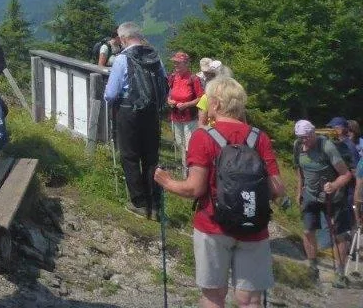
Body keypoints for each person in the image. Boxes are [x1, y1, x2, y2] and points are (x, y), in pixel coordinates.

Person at [154, 77, 285, 308]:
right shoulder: (259, 138)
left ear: (214, 103)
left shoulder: (203, 137)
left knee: (213, 296)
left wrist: (166, 182)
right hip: (254, 226)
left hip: (212, 226)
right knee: (250, 300)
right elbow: (277, 189)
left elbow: (195, 188)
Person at [103, 22, 167, 218]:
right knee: (151, 157)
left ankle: (138, 202)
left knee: (130, 156)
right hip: (152, 113)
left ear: (123, 39)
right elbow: (165, 86)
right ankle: (154, 203)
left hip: (128, 112)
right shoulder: (155, 57)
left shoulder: (122, 59)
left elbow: (111, 93)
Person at [293, 119, 353, 286]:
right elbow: (299, 170)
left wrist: (333, 185)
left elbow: (346, 175)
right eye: (301, 137)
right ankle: (313, 269)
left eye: (307, 136)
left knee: (338, 234)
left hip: (333, 197)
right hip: (310, 196)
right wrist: (299, 191)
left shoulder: (327, 146)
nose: (304, 140)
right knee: (307, 231)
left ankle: (340, 274)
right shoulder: (298, 146)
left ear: (313, 133)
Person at [167, 51, 204, 173]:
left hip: (190, 117)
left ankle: (191, 171)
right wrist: (169, 101)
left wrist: (187, 104)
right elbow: (168, 94)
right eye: (175, 63)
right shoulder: (173, 77)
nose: (176, 65)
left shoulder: (194, 79)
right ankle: (185, 169)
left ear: (186, 64)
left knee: (189, 145)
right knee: (180, 143)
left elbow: (201, 98)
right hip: (176, 116)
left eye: (178, 63)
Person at [196, 61, 229, 128]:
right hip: (213, 133)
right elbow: (201, 124)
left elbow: (201, 124)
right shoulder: (205, 98)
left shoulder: (233, 95)